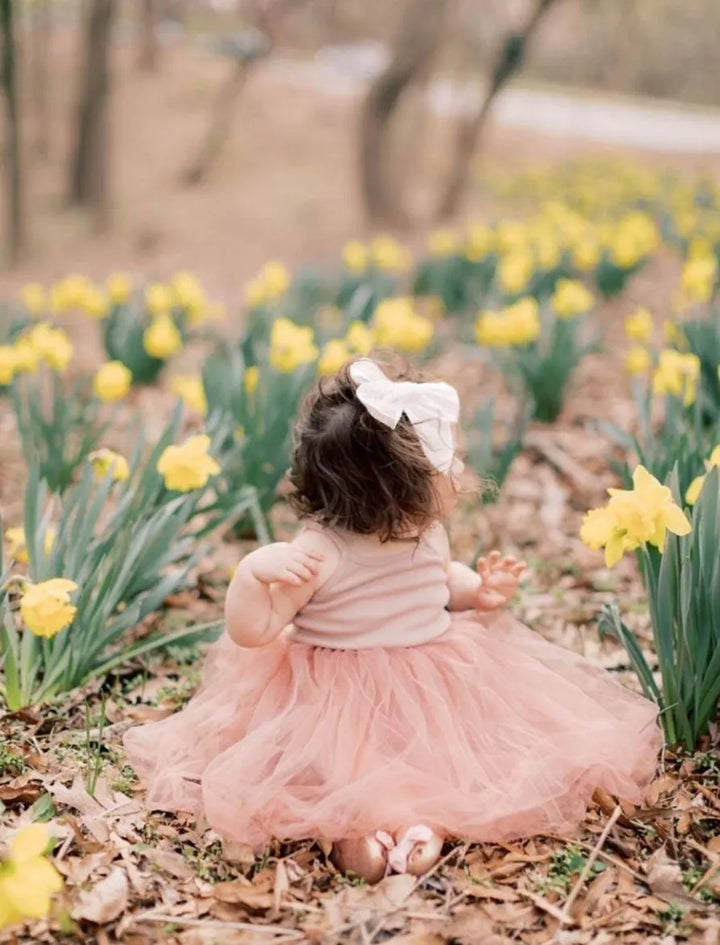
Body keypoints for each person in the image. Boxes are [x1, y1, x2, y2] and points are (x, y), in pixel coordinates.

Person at [124, 357, 660, 883]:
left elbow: (437, 582)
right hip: (334, 694)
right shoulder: (320, 552)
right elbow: (255, 631)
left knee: (440, 759)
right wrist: (249, 577)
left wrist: (480, 591)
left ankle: (420, 826)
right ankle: (359, 831)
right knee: (348, 767)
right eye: (447, 465)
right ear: (394, 490)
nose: (461, 471)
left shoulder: (423, 531)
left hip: (430, 680)